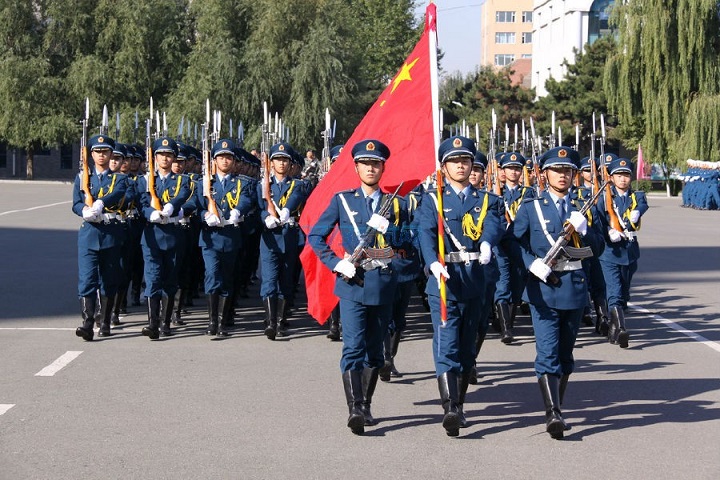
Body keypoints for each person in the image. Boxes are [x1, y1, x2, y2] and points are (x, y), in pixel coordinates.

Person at [308, 139, 407, 435]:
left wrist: (386, 240)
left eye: (375, 163)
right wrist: (336, 263)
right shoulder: (343, 200)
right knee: (352, 347)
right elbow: (316, 236)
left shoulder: (396, 204)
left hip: (382, 284)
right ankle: (355, 408)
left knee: (375, 353)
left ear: (383, 168)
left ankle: (366, 404)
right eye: (365, 163)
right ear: (356, 167)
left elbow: (406, 248)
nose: (370, 168)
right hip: (351, 284)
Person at [509, 146, 604, 439]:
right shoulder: (531, 206)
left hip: (574, 288)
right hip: (543, 288)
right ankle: (554, 413)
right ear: (544, 173)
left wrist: (585, 229)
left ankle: (557, 403)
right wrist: (530, 263)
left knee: (565, 353)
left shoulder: (583, 206)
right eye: (556, 170)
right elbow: (512, 242)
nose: (562, 175)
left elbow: (597, 249)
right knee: (547, 351)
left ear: (574, 174)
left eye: (567, 170)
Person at [417, 136, 504, 436]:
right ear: (444, 167)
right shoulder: (433, 200)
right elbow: (425, 233)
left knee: (468, 350)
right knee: (447, 346)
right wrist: (431, 262)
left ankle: (460, 403)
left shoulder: (488, 200)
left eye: (465, 160)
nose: (461, 165)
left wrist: (488, 244)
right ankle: (450, 408)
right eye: (454, 161)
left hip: (476, 281)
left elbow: (493, 224)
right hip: (445, 281)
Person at [195, 139, 256, 337]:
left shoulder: (242, 182)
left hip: (230, 237)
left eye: (228, 157)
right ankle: (212, 321)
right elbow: (195, 206)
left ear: (234, 161)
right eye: (221, 157)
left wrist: (238, 211)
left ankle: (223, 320)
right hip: (210, 238)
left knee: (228, 278)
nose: (224, 160)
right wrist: (204, 215)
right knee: (212, 275)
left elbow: (247, 199)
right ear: (214, 160)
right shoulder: (204, 182)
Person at [72, 134, 129, 340]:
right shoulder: (82, 177)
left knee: (108, 280)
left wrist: (100, 203)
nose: (101, 155)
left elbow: (118, 193)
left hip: (110, 233)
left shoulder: (119, 178)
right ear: (91, 154)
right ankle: (87, 323)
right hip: (88, 234)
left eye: (105, 151)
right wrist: (83, 211)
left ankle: (104, 321)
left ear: (111, 154)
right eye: (97, 151)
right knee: (87, 279)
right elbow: (76, 202)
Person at [136, 136, 192, 340]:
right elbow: (140, 200)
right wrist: (148, 212)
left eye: (169, 155)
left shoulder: (182, 180)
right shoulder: (146, 180)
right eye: (161, 154)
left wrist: (172, 206)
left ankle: (166, 322)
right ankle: (152, 324)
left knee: (170, 280)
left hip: (173, 234)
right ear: (155, 157)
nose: (165, 158)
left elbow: (183, 195)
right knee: (152, 279)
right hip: (151, 235)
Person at [595, 155, 649, 348]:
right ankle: (621, 328)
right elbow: (598, 219)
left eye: (626, 175)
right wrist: (608, 231)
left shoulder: (636, 196)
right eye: (618, 175)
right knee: (614, 291)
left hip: (629, 250)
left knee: (624, 292)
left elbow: (642, 204)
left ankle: (612, 327)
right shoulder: (604, 197)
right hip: (609, 252)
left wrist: (638, 212)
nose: (623, 179)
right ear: (611, 177)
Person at [256, 142, 307, 340]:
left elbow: (296, 197)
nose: (282, 163)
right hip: (269, 238)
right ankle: (270, 322)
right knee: (269, 280)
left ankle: (280, 321)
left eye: (285, 160)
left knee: (286, 281)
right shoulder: (263, 185)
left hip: (289, 236)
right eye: (278, 159)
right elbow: (259, 206)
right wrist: (265, 217)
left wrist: (286, 210)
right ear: (272, 163)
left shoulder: (297, 184)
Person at [494, 151, 535, 344]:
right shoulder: (494, 193)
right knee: (503, 285)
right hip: (500, 245)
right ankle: (506, 329)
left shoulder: (529, 193)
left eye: (517, 168)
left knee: (518, 286)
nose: (513, 172)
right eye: (510, 168)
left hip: (521, 244)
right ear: (502, 170)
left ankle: (509, 320)